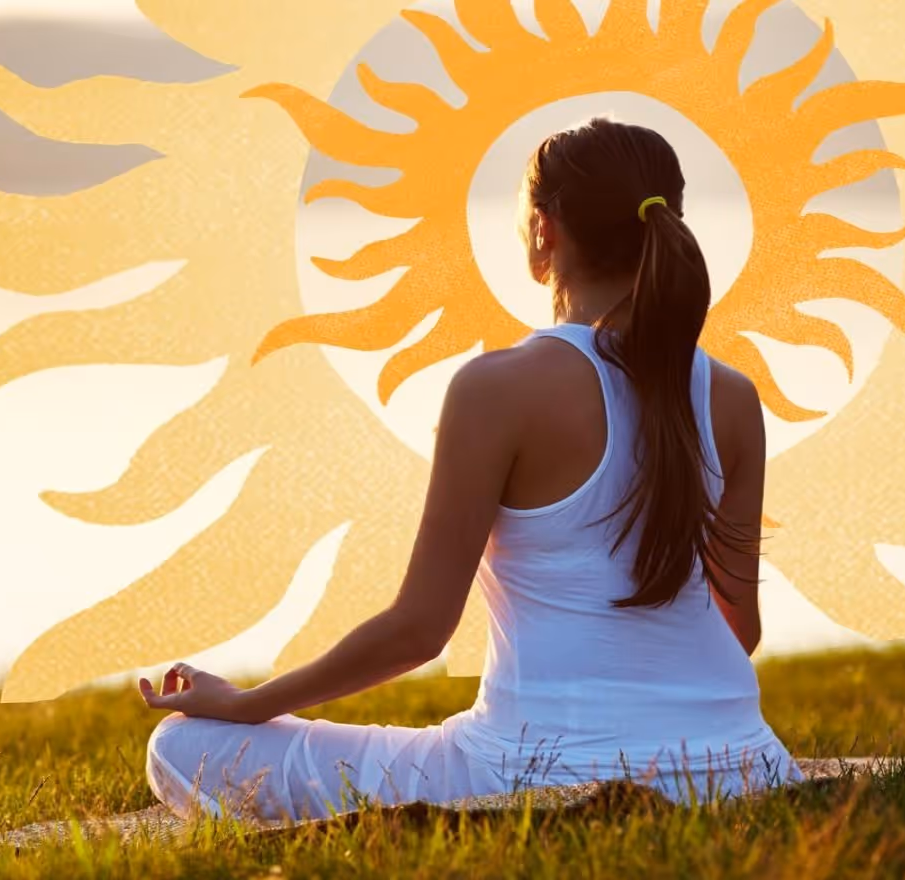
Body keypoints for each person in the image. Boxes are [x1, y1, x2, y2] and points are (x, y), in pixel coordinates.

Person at [138, 116, 803, 825]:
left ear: (545, 231)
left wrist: (245, 703)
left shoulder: (496, 388)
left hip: (529, 770)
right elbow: (740, 632)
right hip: (743, 761)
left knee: (181, 746)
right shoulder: (732, 397)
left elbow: (418, 631)